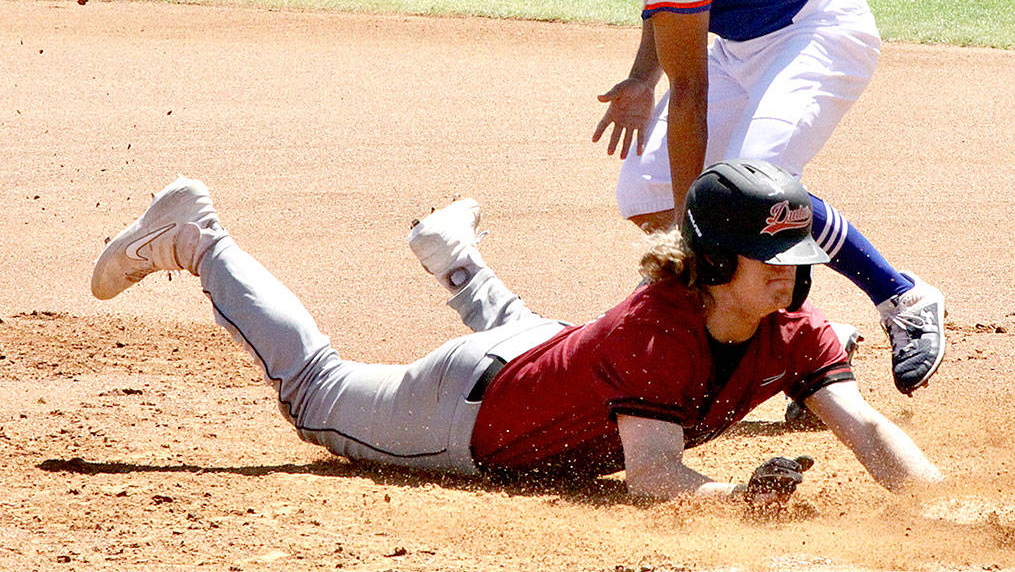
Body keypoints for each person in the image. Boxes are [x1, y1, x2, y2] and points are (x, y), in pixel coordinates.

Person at [90, 161, 941, 503]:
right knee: (316, 394)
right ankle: (197, 238)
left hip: (547, 351)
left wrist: (937, 509)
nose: (792, 273)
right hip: (463, 411)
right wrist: (741, 505)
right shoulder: (659, 333)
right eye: (769, 257)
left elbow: (865, 427)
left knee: (569, 353)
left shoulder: (792, 325)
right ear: (716, 264)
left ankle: (454, 256)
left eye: (796, 256)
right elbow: (650, 476)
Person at [505, 0, 946, 395]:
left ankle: (902, 297)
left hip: (815, 30)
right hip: (745, 40)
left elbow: (691, 94)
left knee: (751, 196)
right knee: (644, 193)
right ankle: (798, 335)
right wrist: (639, 76)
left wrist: (697, 242)